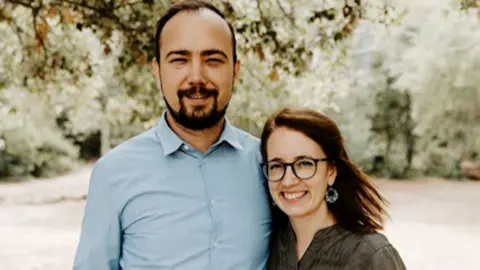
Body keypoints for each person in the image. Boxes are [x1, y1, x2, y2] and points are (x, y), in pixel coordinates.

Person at [73, 1, 271, 269]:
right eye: (179, 60)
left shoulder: (269, 165)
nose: (197, 77)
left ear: (235, 70)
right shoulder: (114, 172)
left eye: (213, 60)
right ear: (158, 71)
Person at [260, 107, 406, 270]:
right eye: (276, 166)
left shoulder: (371, 254)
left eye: (304, 164)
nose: (288, 181)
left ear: (331, 171)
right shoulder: (267, 245)